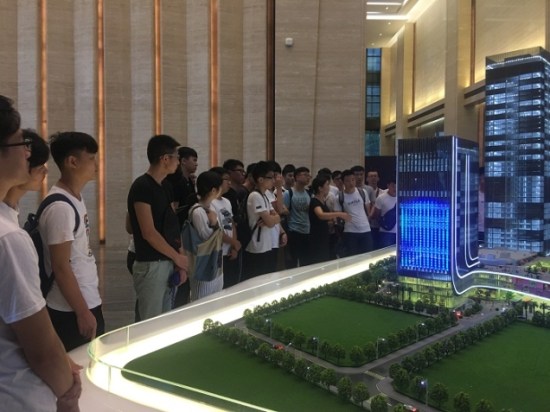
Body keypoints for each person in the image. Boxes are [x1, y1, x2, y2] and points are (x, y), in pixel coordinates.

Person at [0, 95, 81, 411]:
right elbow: (41, 350)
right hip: (18, 394)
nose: (27, 152)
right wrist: (68, 396)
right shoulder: (9, 239)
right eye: (22, 144)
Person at [38, 131, 105, 351]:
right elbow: (61, 266)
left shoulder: (74, 198)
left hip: (85, 300)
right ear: (72, 162)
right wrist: (82, 312)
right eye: (91, 158)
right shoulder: (60, 207)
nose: (96, 164)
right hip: (70, 309)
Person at [127, 135, 188, 320]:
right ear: (165, 159)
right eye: (177, 157)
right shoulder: (142, 187)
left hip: (167, 261)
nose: (178, 162)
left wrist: (179, 261)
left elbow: (172, 226)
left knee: (163, 321)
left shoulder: (165, 186)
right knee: (149, 322)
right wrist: (177, 257)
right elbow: (148, 232)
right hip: (151, 264)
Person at [188, 171, 226, 300]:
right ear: (214, 190)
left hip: (216, 261)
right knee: (201, 299)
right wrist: (214, 224)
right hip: (203, 263)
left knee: (216, 298)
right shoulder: (198, 211)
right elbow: (207, 238)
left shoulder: (211, 208)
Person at [242, 161, 281, 279]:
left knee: (266, 277)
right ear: (260, 179)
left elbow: (277, 216)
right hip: (256, 244)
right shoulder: (255, 196)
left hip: (266, 243)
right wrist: (273, 219)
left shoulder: (264, 195)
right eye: (270, 177)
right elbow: (270, 222)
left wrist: (273, 219)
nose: (273, 180)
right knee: (256, 279)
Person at [210, 167, 241, 288]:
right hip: (218, 252)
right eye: (226, 179)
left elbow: (231, 223)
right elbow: (215, 230)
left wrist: (234, 246)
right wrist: (234, 242)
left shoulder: (227, 201)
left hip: (230, 251)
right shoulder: (210, 203)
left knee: (231, 285)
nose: (229, 182)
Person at [308, 175, 350, 264]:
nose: (329, 187)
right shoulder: (314, 201)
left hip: (324, 234)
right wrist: (339, 214)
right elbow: (321, 215)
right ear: (320, 188)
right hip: (317, 236)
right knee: (318, 260)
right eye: (327, 185)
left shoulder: (323, 201)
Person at [333, 169, 373, 256]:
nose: (351, 183)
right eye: (347, 181)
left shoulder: (363, 192)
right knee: (352, 257)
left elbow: (367, 210)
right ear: (343, 182)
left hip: (366, 230)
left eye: (353, 180)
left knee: (368, 256)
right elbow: (338, 215)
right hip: (350, 231)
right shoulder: (339, 197)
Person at [283, 166, 312, 267]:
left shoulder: (309, 193)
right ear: (297, 177)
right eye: (305, 175)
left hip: (307, 231)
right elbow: (284, 211)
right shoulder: (288, 193)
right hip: (293, 231)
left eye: (309, 176)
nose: (308, 178)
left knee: (306, 263)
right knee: (292, 262)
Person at [370, 177, 397, 247]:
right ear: (388, 186)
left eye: (397, 186)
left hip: (400, 232)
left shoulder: (402, 196)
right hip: (386, 232)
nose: (395, 188)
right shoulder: (381, 198)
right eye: (393, 186)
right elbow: (376, 215)